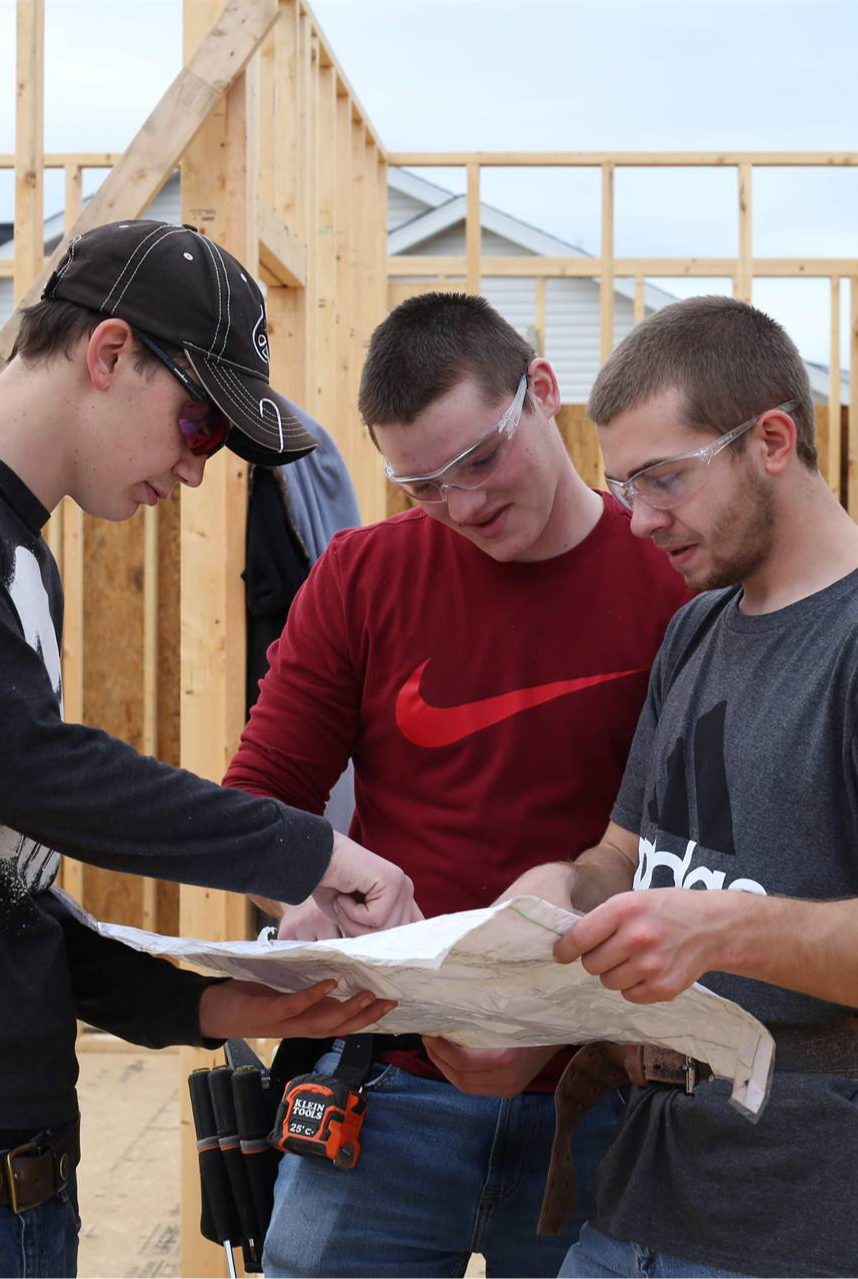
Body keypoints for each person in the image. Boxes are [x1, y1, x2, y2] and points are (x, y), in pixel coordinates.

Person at [0, 219, 419, 1278]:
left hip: (7, 1180)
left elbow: (10, 893)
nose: (197, 470)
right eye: (199, 423)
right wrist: (313, 850)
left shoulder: (23, 562)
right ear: (108, 354)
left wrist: (203, 1003)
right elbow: (34, 770)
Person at [505, 295, 858, 1279]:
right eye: (624, 484)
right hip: (641, 1189)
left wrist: (719, 929)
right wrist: (551, 898)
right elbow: (624, 851)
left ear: (772, 439)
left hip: (800, 1215)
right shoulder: (698, 628)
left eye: (664, 479)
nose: (640, 518)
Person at [221, 292, 694, 1278]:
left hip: (606, 1094)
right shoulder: (362, 575)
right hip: (389, 1088)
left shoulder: (675, 584)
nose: (464, 505)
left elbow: (721, 838)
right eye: (423, 484)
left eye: (481, 459)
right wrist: (301, 893)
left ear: (546, 394)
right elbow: (259, 803)